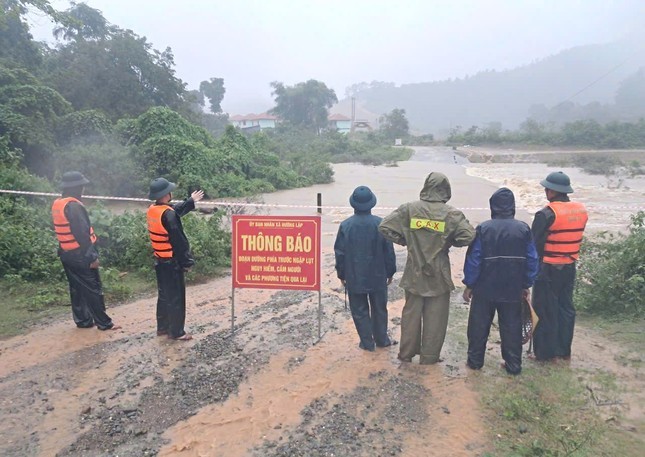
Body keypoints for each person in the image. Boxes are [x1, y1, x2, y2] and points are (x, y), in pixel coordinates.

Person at [379, 172, 475, 364]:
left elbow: (384, 227)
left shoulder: (409, 209)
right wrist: (448, 242)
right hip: (439, 273)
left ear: (425, 186)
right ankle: (429, 357)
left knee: (411, 315)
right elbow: (469, 236)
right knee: (436, 318)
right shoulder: (452, 214)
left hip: (414, 271)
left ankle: (406, 354)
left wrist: (406, 241)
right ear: (445, 189)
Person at [462, 188, 539, 375]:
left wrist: (469, 284)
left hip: (484, 288)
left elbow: (474, 259)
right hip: (512, 288)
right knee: (512, 327)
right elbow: (532, 259)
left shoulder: (483, 228)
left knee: (478, 326)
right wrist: (526, 284)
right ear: (512, 207)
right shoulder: (523, 229)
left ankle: (475, 362)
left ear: (493, 207)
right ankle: (513, 366)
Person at [51, 171, 120, 331]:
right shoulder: (74, 207)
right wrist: (92, 257)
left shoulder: (58, 204)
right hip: (80, 255)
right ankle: (104, 323)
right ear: (76, 188)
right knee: (92, 288)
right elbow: (82, 235)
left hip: (66, 253)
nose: (83, 190)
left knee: (76, 288)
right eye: (82, 186)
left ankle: (83, 320)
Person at [531, 171, 588, 361]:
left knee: (545, 309)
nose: (545, 191)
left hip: (548, 269)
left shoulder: (546, 214)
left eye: (546, 188)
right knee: (565, 308)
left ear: (552, 191)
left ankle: (545, 353)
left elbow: (533, 245)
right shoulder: (581, 210)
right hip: (569, 267)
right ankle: (563, 350)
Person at [334, 186, 397, 352]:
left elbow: (340, 253)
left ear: (353, 204)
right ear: (372, 204)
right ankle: (382, 340)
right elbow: (389, 251)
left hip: (354, 276)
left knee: (360, 310)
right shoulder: (381, 224)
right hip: (378, 275)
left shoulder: (345, 226)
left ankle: (367, 343)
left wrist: (341, 274)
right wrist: (390, 272)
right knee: (379, 308)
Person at [147, 178, 204, 341]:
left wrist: (191, 201)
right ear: (167, 194)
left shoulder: (153, 209)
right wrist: (187, 262)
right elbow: (179, 242)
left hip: (159, 260)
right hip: (172, 263)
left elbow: (173, 211)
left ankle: (162, 328)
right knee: (176, 297)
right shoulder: (169, 215)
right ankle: (177, 332)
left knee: (164, 295)